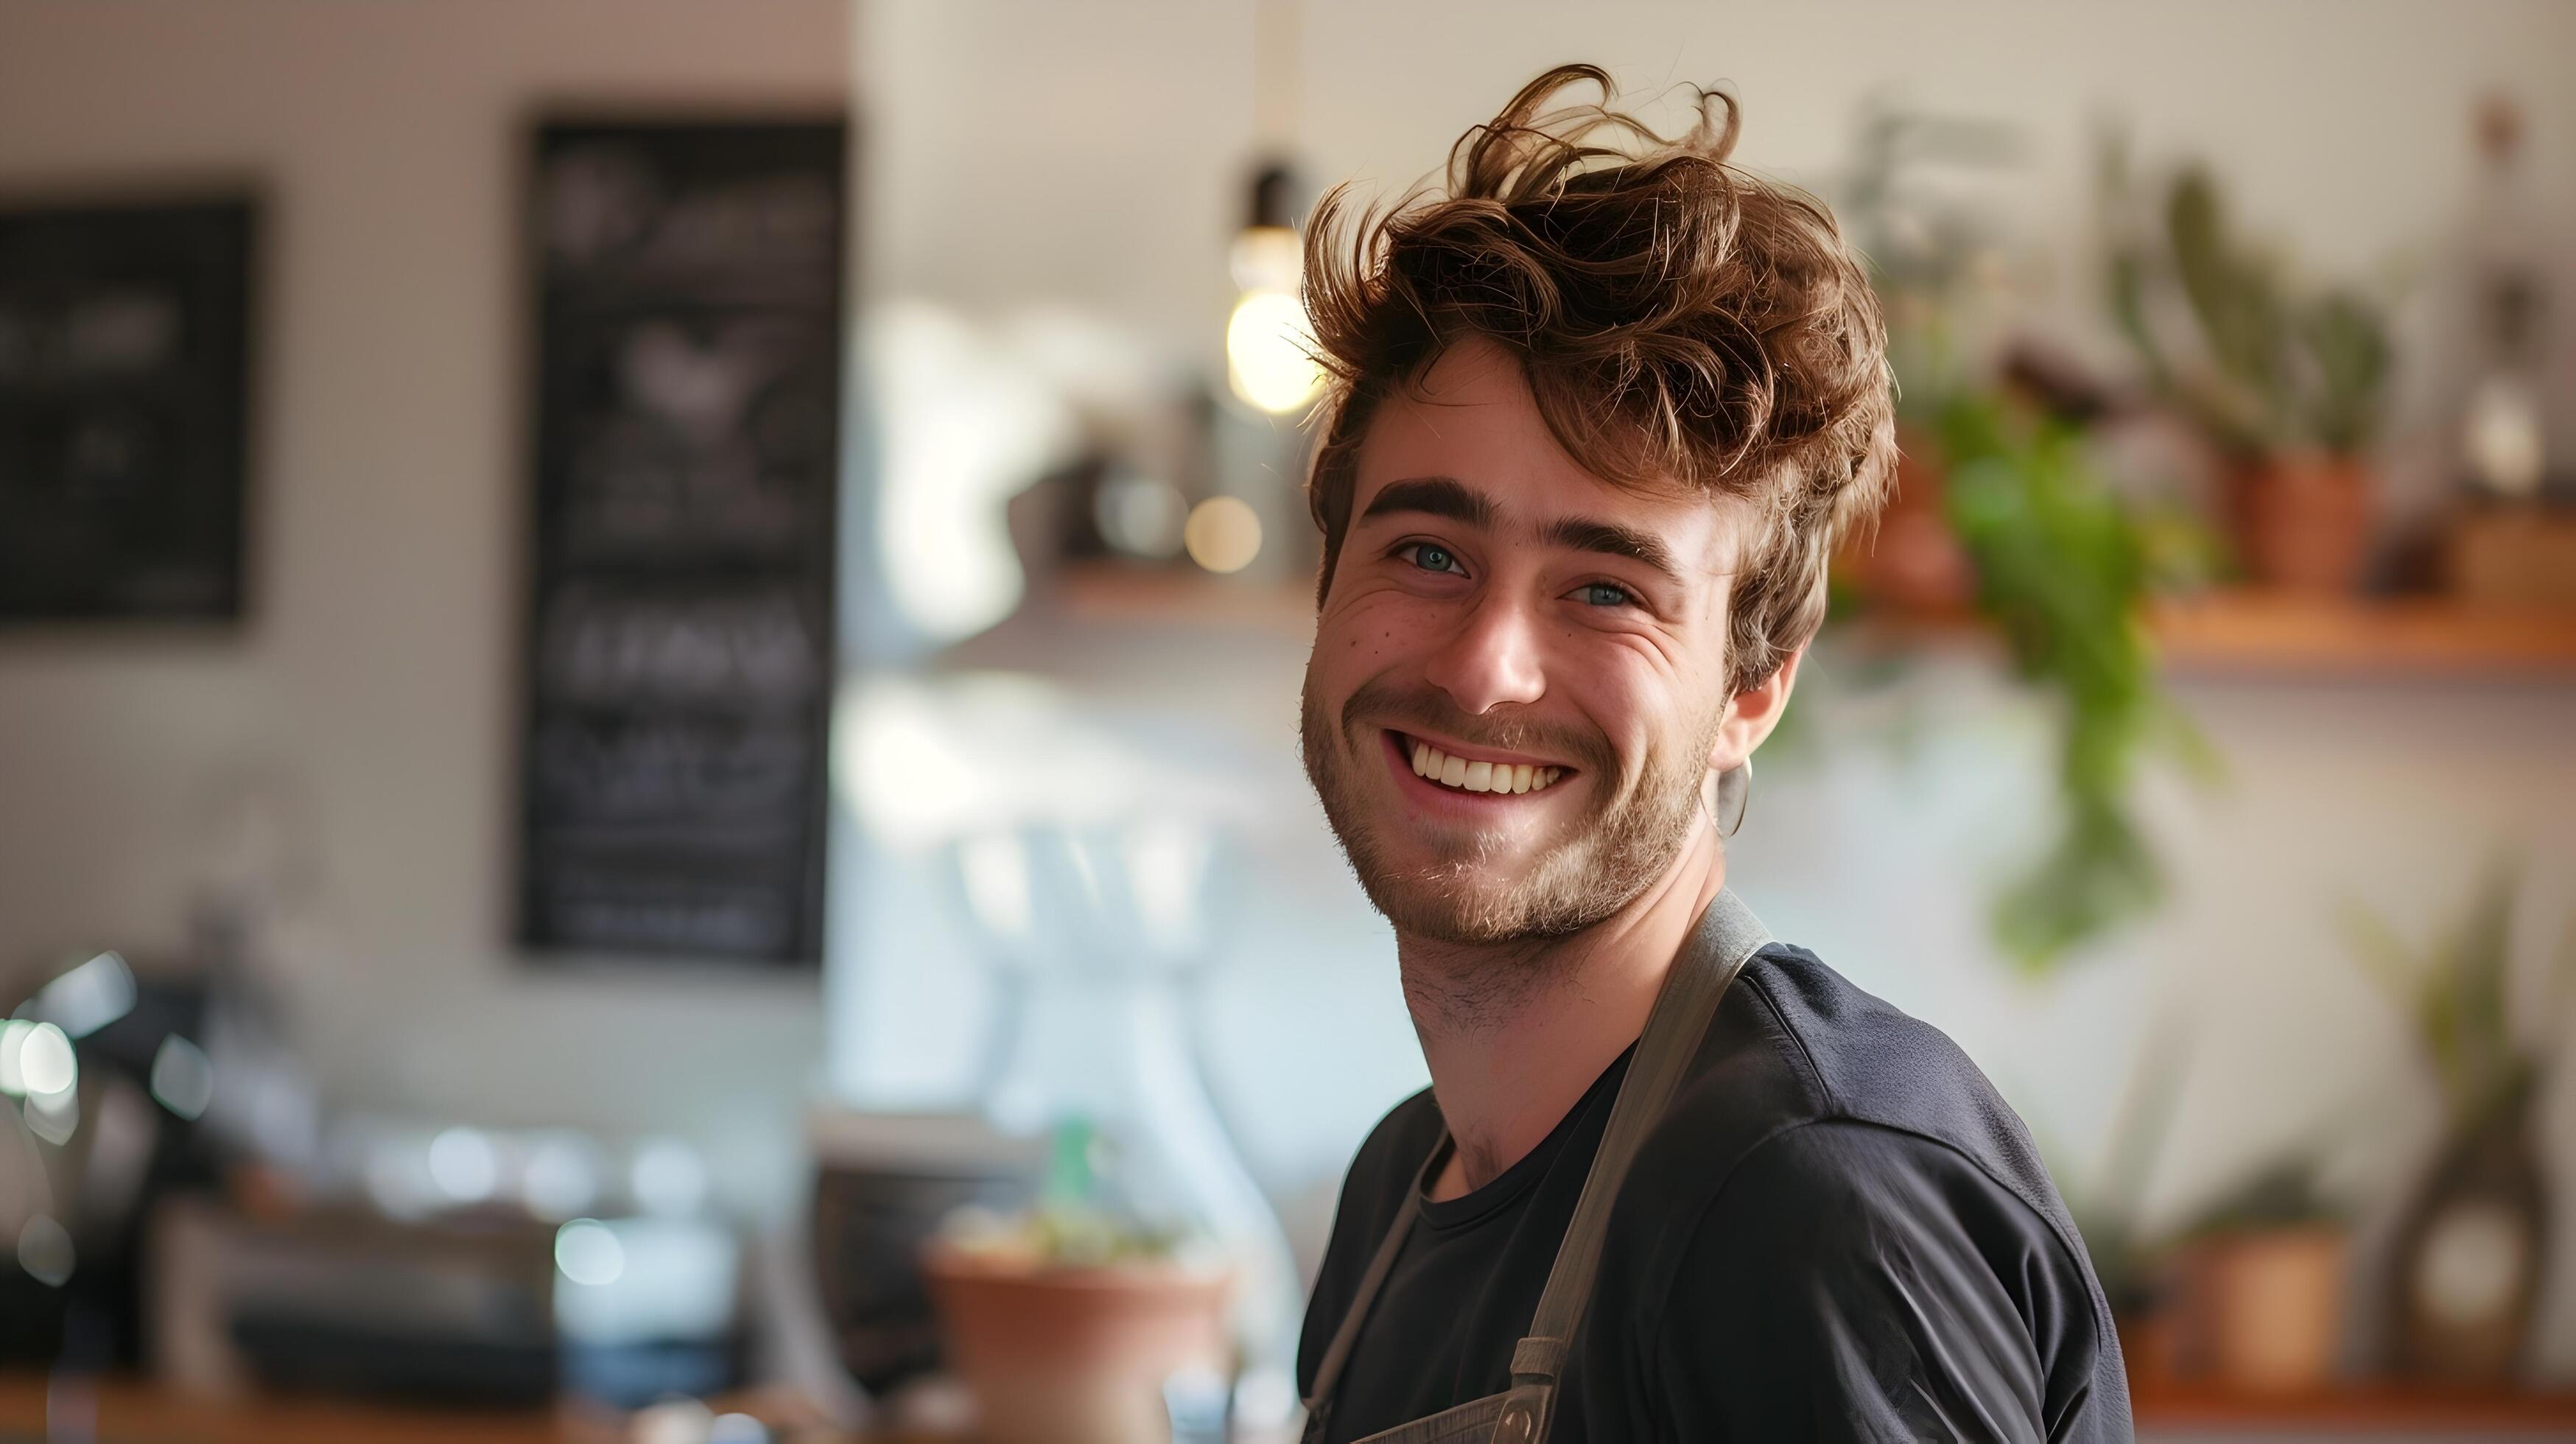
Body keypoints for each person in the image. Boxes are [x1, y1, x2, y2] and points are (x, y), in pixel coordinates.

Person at [1292, 65, 2131, 1442]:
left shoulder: (1811, 1199)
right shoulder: (1399, 1191)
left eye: (1605, 590)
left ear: (1751, 689)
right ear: (1327, 594)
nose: (1483, 667)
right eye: (1428, 553)